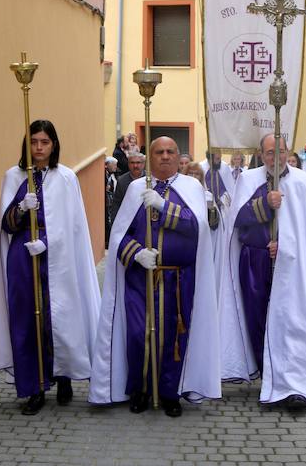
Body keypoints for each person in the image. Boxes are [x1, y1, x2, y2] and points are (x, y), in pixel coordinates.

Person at [90, 137, 220, 417]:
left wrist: (163, 206)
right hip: (140, 280)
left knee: (173, 340)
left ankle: (170, 393)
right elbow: (119, 235)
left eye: (170, 152)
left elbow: (195, 228)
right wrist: (136, 254)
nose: (164, 156)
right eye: (158, 152)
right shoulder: (137, 187)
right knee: (139, 336)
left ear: (178, 157)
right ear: (149, 157)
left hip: (178, 280)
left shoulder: (191, 187)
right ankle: (140, 390)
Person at [0, 120, 102, 415]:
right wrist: (20, 208)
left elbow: (73, 226)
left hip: (58, 260)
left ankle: (63, 375)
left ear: (54, 145)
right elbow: (6, 225)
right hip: (23, 260)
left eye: (45, 142)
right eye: (34, 142)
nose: (39, 148)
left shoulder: (66, 178)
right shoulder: (13, 177)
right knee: (28, 321)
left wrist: (50, 245)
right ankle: (34, 388)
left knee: (59, 317)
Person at [219, 134, 306, 406]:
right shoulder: (248, 180)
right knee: (259, 319)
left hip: (293, 267)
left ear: (288, 151)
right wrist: (264, 203)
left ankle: (292, 381)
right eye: (270, 153)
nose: (276, 157)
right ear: (261, 154)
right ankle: (268, 375)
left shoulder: (303, 182)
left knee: (291, 320)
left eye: (280, 151)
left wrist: (284, 247)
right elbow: (238, 220)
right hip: (255, 262)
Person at [110, 151, 145, 223]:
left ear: (143, 164)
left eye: (138, 162)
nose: (135, 166)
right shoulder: (121, 181)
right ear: (128, 164)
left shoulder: (150, 179)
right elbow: (117, 203)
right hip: (128, 221)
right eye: (132, 163)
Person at [105, 156, 119, 244]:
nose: (115, 167)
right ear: (107, 165)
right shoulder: (104, 175)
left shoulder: (113, 175)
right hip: (107, 202)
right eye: (114, 165)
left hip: (111, 201)